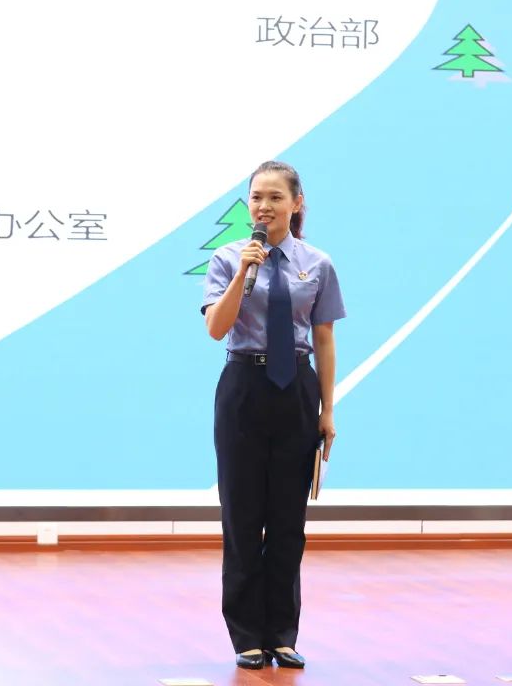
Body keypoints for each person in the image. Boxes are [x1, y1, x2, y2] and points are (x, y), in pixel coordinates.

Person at [200, 160, 346, 670]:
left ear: (296, 203)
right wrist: (245, 271)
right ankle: (246, 636)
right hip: (244, 386)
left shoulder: (318, 263)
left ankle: (282, 633)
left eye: (275, 197)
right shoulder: (227, 258)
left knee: (288, 520)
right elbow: (216, 328)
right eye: (256, 197)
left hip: (297, 389)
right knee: (243, 517)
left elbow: (324, 338)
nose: (264, 206)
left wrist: (327, 409)